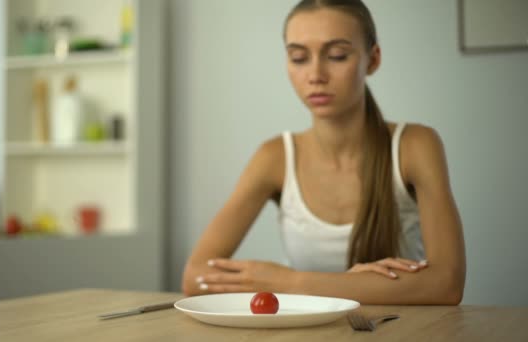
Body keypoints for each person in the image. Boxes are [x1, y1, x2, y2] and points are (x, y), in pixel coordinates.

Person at [182, 0, 466, 305]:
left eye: (337, 56)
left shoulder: (415, 145)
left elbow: (446, 284)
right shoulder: (274, 156)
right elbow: (195, 276)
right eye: (299, 58)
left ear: (372, 60)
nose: (315, 74)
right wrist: (350, 286)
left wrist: (290, 282)